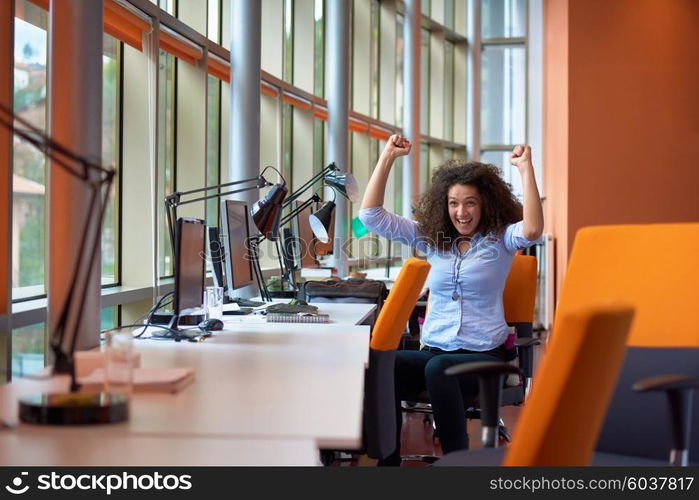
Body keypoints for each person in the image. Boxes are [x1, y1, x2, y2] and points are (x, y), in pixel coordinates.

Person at [358, 134, 544, 465]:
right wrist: (387, 157)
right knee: (382, 364)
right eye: (453, 203)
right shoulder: (432, 238)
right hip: (435, 349)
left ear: (485, 203)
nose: (461, 212)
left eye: (470, 202)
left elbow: (531, 230)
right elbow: (371, 216)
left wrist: (526, 169)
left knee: (440, 369)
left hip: (484, 355)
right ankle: (389, 465)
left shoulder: (500, 238)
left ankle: (457, 466)